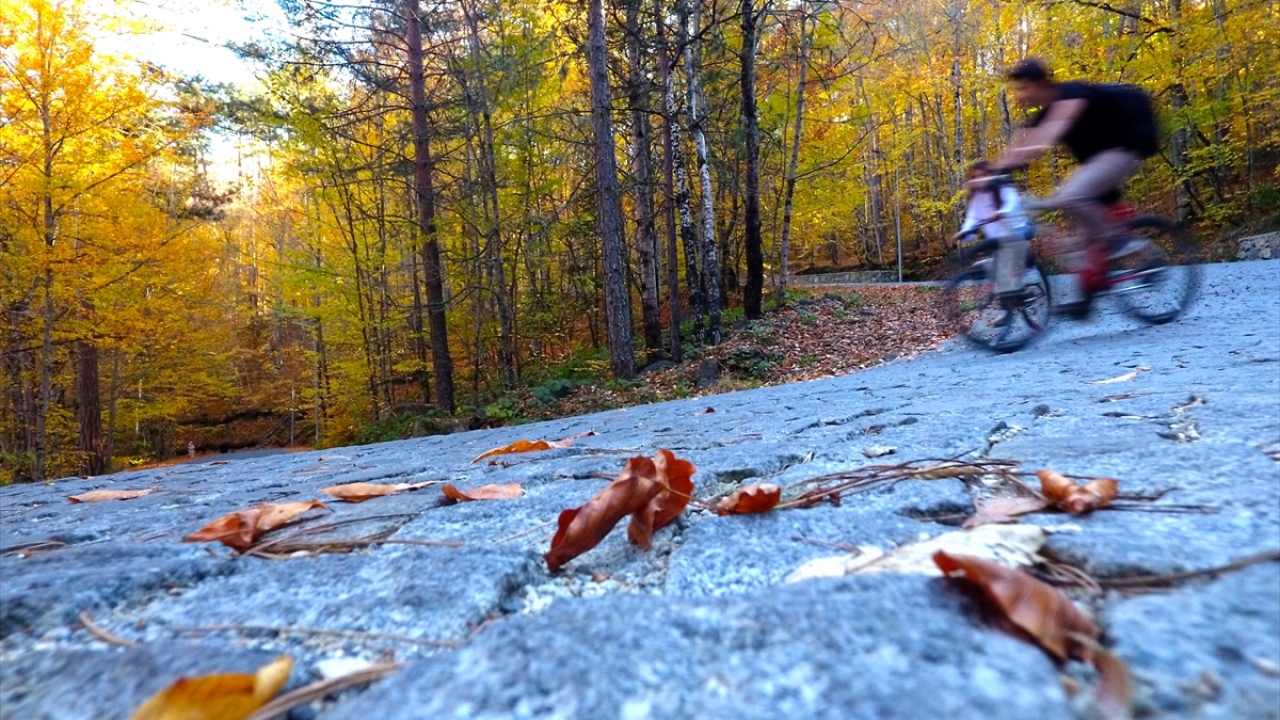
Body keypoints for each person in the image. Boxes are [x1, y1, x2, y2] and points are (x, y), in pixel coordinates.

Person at [991, 57, 1152, 319]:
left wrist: (1020, 155)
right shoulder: (1043, 114)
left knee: (1068, 197)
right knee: (1079, 242)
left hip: (1121, 151)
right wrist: (989, 173)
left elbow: (1047, 136)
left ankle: (1120, 240)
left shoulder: (1072, 93)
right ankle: (1088, 295)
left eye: (1023, 88)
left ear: (1040, 83)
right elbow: (1019, 145)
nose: (1019, 95)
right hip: (1094, 163)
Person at [952, 161, 1029, 308]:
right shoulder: (976, 198)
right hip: (995, 240)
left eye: (982, 176)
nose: (979, 180)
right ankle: (1007, 306)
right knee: (994, 269)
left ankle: (1023, 291)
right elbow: (972, 218)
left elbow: (1013, 201)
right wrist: (964, 233)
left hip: (1014, 232)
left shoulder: (1002, 187)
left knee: (1006, 268)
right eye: (975, 177)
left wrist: (1001, 212)